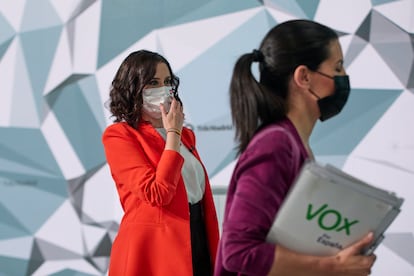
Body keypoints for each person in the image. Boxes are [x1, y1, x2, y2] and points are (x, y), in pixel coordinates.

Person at [214, 19, 376, 276]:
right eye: (338, 67)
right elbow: (238, 251)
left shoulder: (293, 143)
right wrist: (332, 267)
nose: (344, 77)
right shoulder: (276, 145)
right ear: (304, 77)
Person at [102, 50, 219, 276]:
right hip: (153, 252)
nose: (163, 89)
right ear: (133, 88)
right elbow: (157, 193)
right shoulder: (120, 135)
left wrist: (175, 133)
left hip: (197, 238)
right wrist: (172, 132)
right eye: (153, 83)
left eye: (167, 82)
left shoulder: (187, 136)